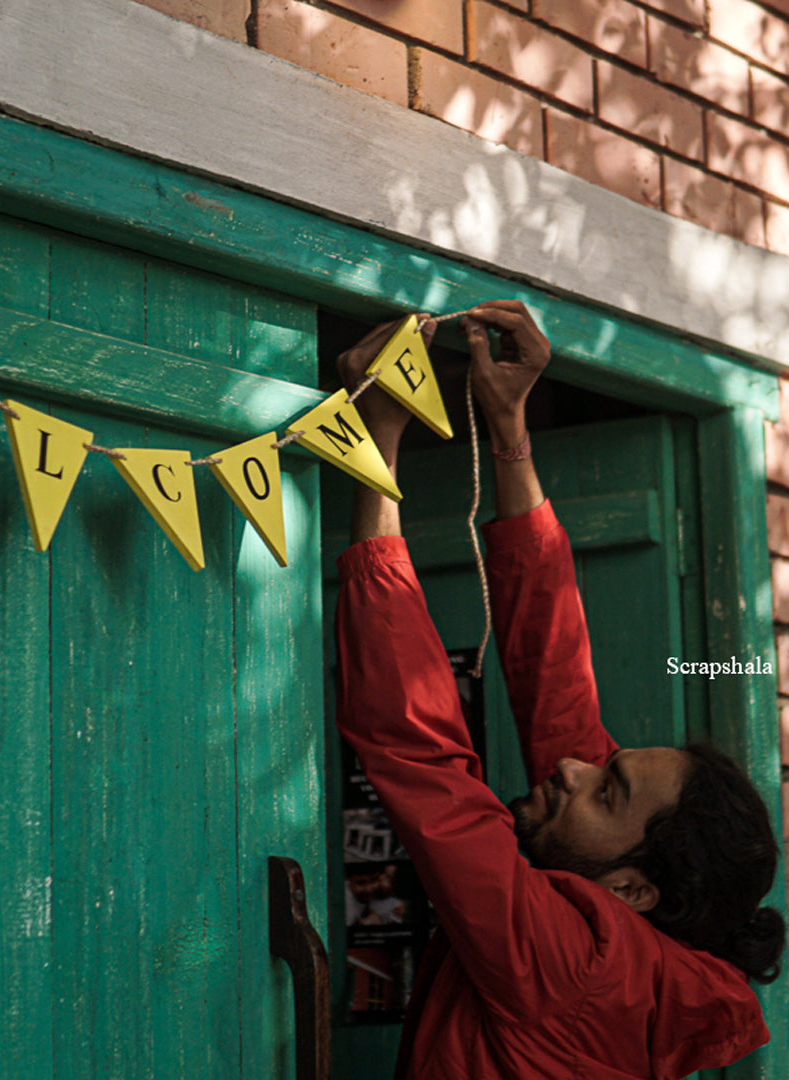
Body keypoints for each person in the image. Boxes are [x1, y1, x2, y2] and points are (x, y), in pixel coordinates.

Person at [333, 301, 786, 1079]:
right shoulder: (630, 932)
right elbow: (557, 683)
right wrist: (508, 427)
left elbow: (424, 764)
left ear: (634, 888)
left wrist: (372, 443)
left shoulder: (578, 962)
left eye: (607, 789)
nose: (578, 767)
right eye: (612, 764)